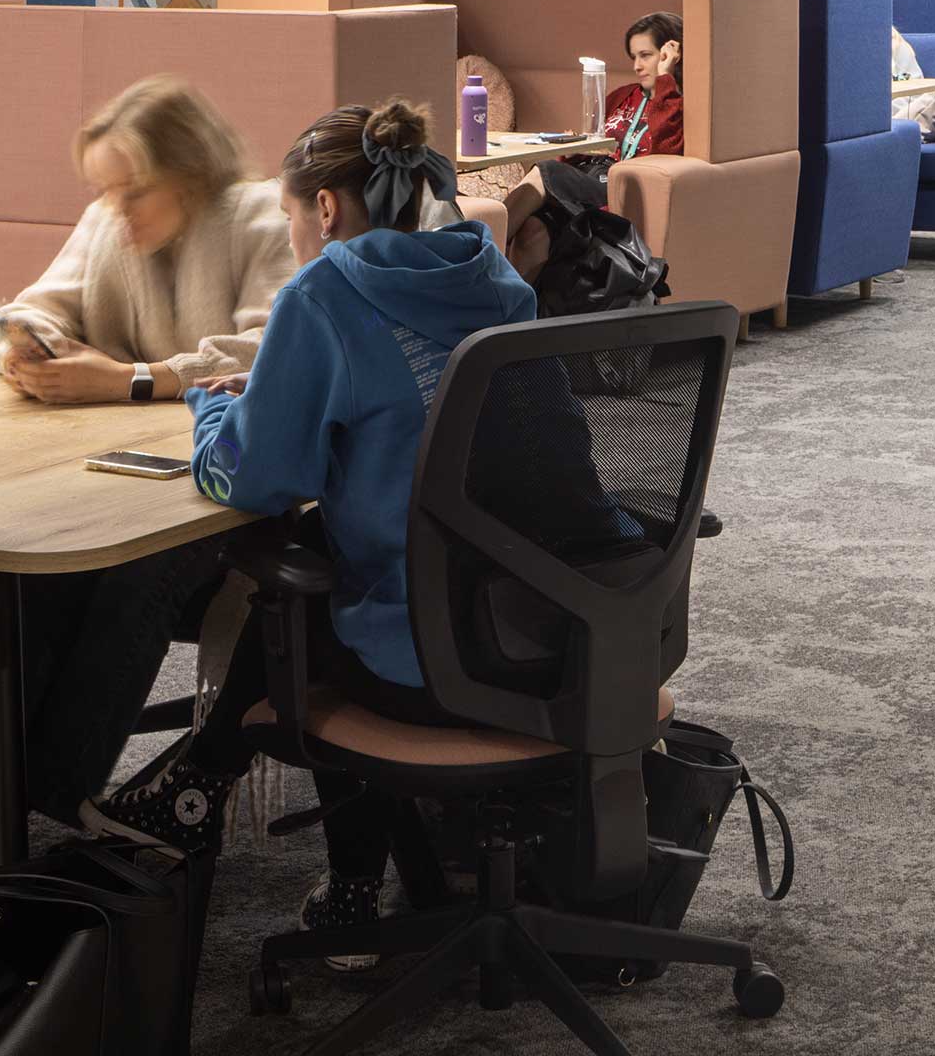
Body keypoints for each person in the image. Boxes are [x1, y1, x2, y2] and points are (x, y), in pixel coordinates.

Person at [85, 97, 605, 965]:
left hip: (436, 661)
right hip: (564, 621)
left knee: (304, 595)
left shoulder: (326, 291)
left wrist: (210, 411)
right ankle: (262, 829)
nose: (293, 237)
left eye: (292, 218)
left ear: (324, 209)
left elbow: (256, 476)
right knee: (330, 554)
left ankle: (209, 794)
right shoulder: (494, 275)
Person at [0, 76, 296, 891]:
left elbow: (268, 356)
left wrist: (131, 380)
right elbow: (36, 304)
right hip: (128, 470)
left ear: (189, 173)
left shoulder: (260, 219)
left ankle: (39, 800)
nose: (116, 210)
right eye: (106, 189)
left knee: (128, 572)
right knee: (38, 569)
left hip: (228, 484)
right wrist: (29, 342)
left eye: (134, 189)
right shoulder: (110, 221)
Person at [501, 11, 682, 284]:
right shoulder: (623, 96)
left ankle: (474, 255)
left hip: (622, 186)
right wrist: (573, 149)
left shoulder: (678, 103)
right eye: (633, 57)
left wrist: (665, 79)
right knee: (532, 230)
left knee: (544, 172)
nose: (637, 66)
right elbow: (596, 140)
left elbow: (667, 151)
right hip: (590, 178)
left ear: (669, 55)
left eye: (646, 56)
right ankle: (511, 315)